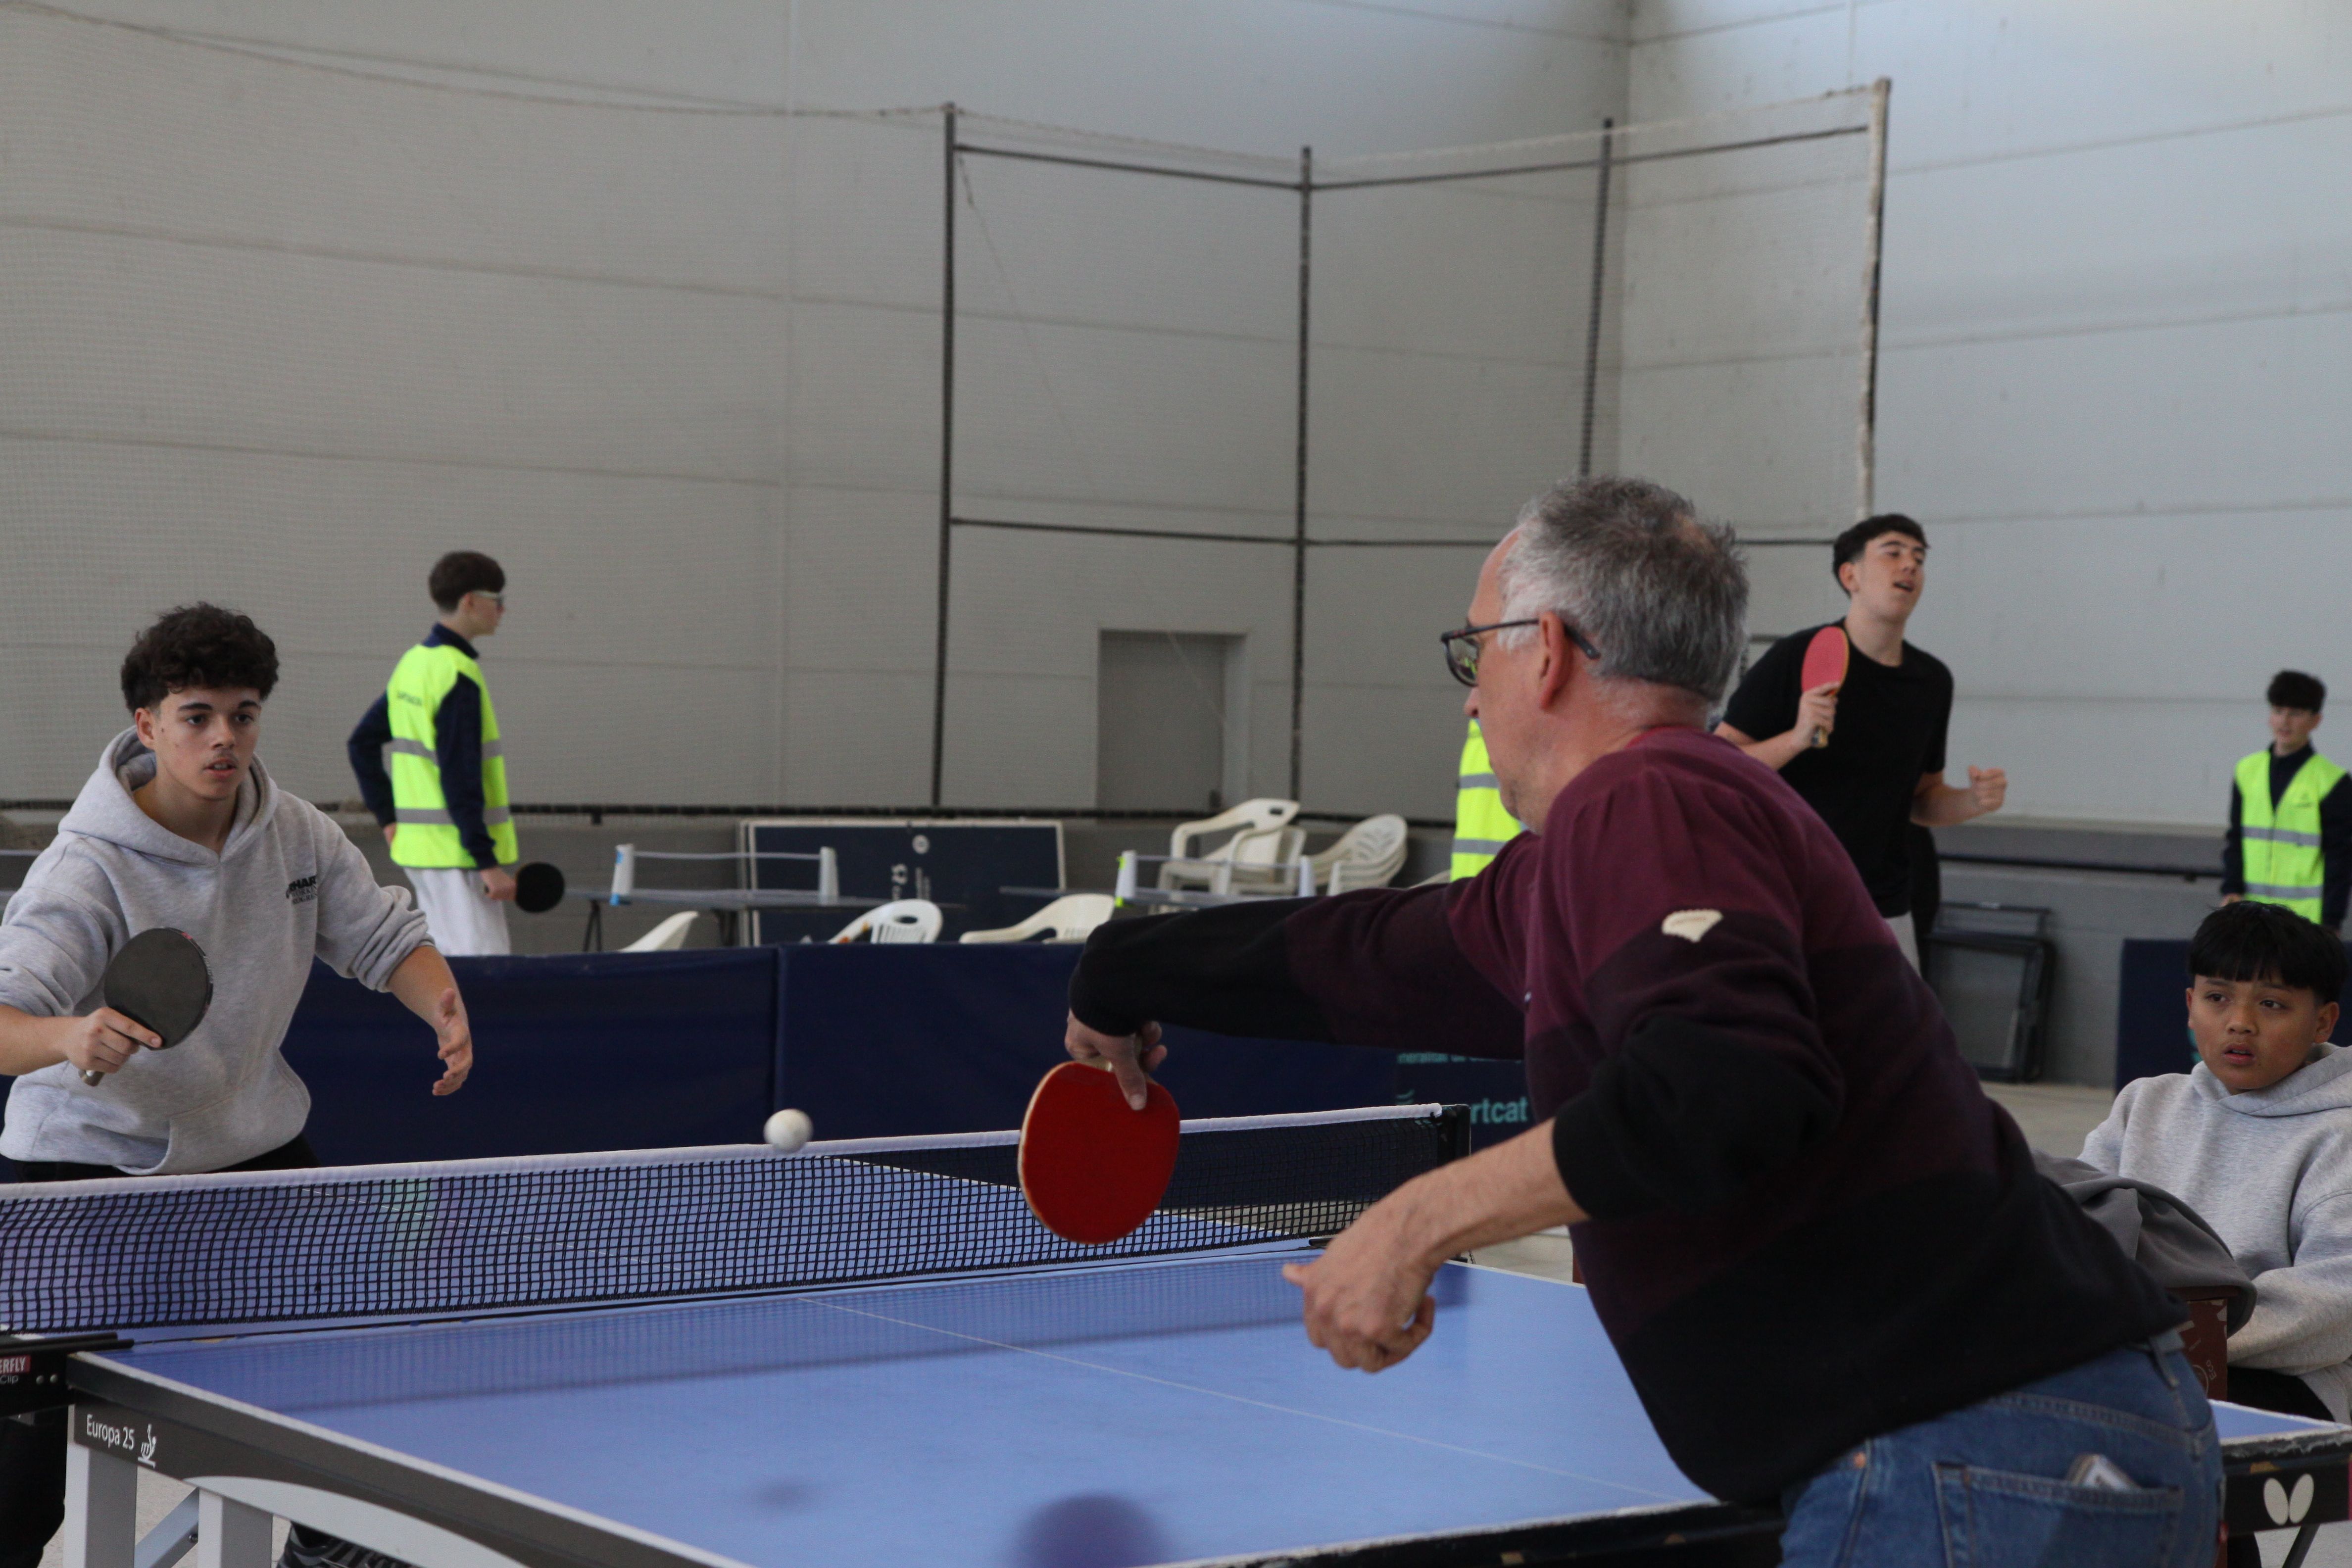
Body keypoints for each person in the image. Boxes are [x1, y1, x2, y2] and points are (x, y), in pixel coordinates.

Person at [1063, 479, 2215, 1566]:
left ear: (1546, 651)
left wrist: (1411, 1221)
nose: (1470, 693)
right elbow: (1373, 955)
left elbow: (1717, 1085)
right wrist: (1126, 965)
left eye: (1476, 650)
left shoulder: (1647, 795)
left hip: (1969, 1445)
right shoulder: (1646, 828)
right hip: (2019, 1441)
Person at [0, 604, 471, 1568]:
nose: (225, 738)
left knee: (345, 1378)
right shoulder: (85, 867)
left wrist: (442, 1005)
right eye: (198, 715)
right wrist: (68, 1032)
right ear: (148, 725)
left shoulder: (293, 832)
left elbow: (383, 937)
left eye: (244, 715)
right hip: (85, 1179)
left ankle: (326, 1552)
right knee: (24, 1459)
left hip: (248, 1157)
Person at [2084, 901, 2352, 1422]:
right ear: (2190, 1005)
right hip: (2136, 1353)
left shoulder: (2339, 1135)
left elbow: (2338, 1301)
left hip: (2286, 1382)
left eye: (2272, 1005)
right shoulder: (2145, 1104)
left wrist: (2186, 1335)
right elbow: (2077, 1228)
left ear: (2322, 1021)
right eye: (2217, 998)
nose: (2240, 1023)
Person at [1714, 515, 2005, 965]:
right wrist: (1795, 739)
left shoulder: (1932, 681)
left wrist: (1974, 802)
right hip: (1788, 897)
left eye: (1919, 558)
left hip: (1884, 906)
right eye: (1893, 552)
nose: (1909, 565)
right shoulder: (1796, 656)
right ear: (1850, 575)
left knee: (1895, 1036)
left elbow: (1923, 799)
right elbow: (1718, 765)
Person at [348, 551, 520, 957]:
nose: (503, 609)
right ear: (470, 601)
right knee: (483, 975)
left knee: (446, 968)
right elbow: (461, 778)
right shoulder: (456, 675)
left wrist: (390, 819)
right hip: (458, 857)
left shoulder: (414, 665)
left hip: (423, 855)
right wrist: (487, 863)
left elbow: (361, 744)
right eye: (497, 598)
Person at [2220, 670, 2350, 934]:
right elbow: (2236, 839)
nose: (2285, 721)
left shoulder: (2333, 781)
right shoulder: (2247, 770)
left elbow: (2341, 858)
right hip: (2250, 915)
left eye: (2296, 713)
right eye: (2279, 710)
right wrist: (2231, 889)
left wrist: (2332, 920)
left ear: (2316, 720)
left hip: (2305, 921)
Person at [1449, 720, 1520, 879]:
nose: (1470, 705)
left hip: (1478, 882)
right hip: (1507, 885)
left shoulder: (1487, 721)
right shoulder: (1506, 717)